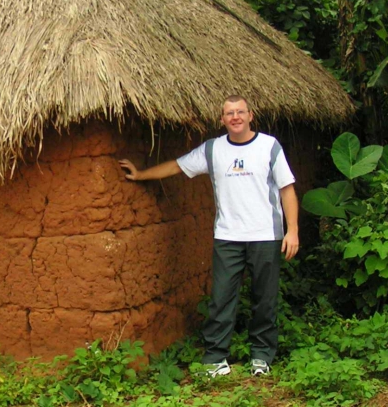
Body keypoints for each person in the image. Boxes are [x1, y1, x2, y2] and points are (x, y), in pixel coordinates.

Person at [118, 96, 299, 377]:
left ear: (251, 116)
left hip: (266, 235)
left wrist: (293, 231)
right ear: (222, 120)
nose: (235, 117)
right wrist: (141, 175)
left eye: (240, 112)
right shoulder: (213, 149)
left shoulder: (269, 146)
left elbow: (287, 188)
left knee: (265, 298)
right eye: (229, 113)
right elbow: (177, 166)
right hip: (227, 236)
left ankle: (262, 356)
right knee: (222, 297)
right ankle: (215, 359)